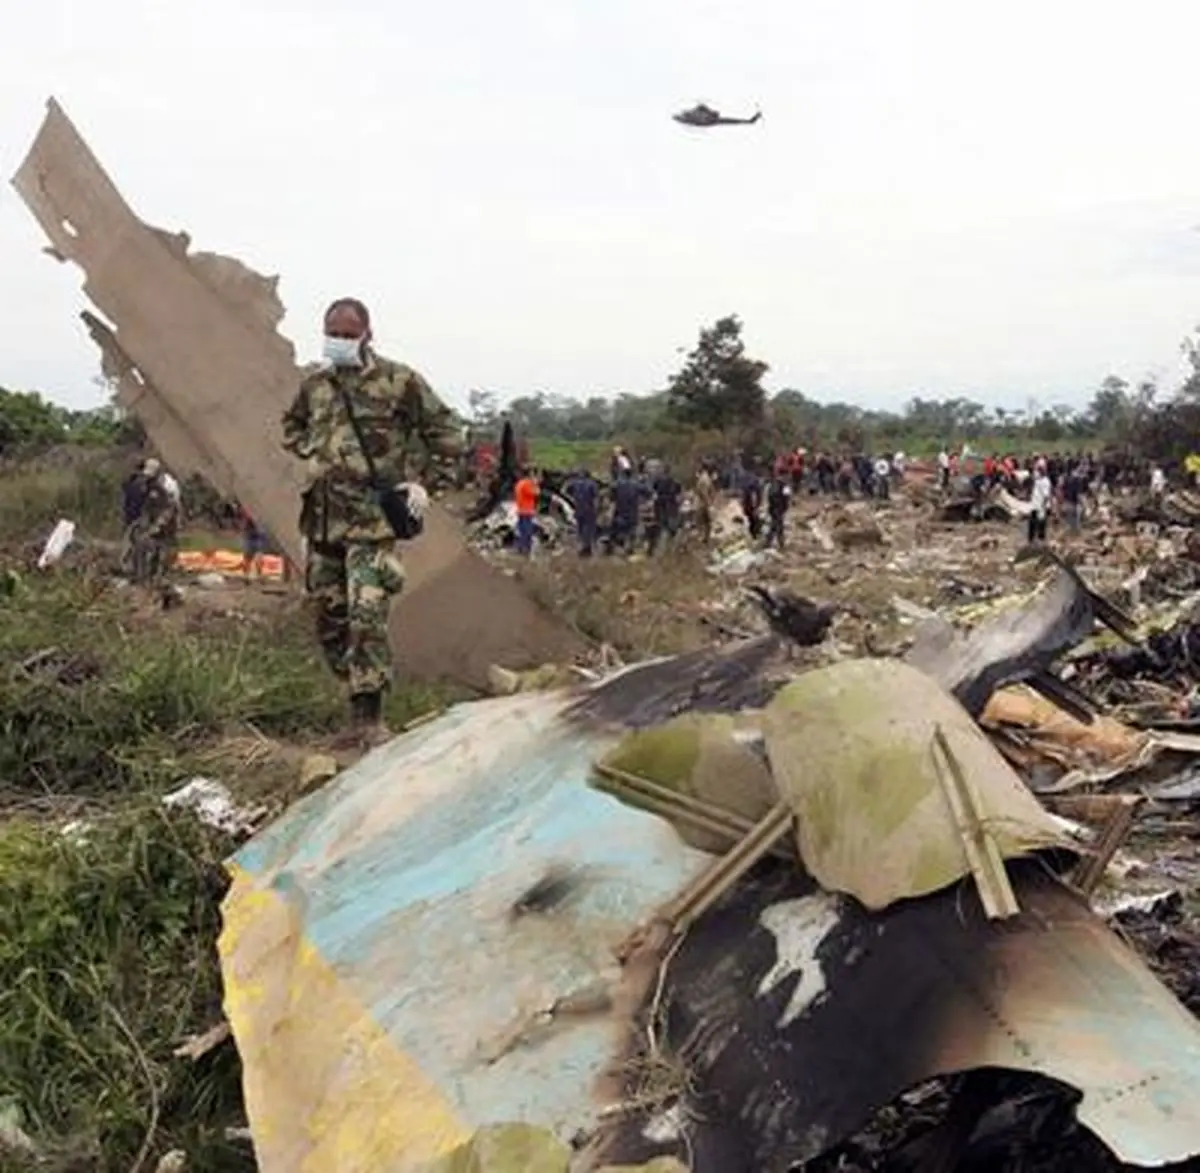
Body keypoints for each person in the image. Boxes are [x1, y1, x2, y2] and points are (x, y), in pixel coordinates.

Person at [281, 297, 462, 743]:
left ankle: (370, 717)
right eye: (333, 334)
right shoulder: (315, 386)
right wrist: (316, 453)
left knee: (366, 614)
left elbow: (447, 432)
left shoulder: (398, 382)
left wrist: (424, 484)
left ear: (366, 334)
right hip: (323, 521)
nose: (339, 342)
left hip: (372, 522)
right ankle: (353, 704)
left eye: (347, 334)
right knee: (329, 617)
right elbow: (291, 426)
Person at [565, 468, 599, 556]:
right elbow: (596, 498)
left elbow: (565, 491)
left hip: (578, 508)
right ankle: (586, 547)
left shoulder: (574, 483)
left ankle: (581, 546)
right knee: (589, 529)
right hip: (589, 509)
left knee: (580, 528)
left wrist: (573, 499)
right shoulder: (592, 484)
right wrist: (597, 509)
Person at [513, 467, 539, 556]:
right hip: (527, 510)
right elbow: (536, 493)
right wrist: (535, 484)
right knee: (527, 530)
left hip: (520, 509)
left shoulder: (519, 484)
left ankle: (520, 547)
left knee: (521, 530)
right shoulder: (527, 484)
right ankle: (526, 548)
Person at [1028, 459, 1052, 544]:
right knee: (1032, 524)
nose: (1037, 471)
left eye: (1039, 470)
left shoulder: (1045, 481)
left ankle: (1040, 541)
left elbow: (1046, 496)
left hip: (1040, 506)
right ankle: (1031, 540)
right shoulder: (1037, 479)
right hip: (1035, 505)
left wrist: (1043, 508)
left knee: (1040, 525)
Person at [764, 474, 790, 549]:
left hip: (773, 508)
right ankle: (777, 542)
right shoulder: (785, 486)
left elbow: (769, 497)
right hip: (779, 508)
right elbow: (786, 498)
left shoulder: (772, 485)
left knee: (776, 524)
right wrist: (785, 508)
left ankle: (773, 541)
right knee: (777, 525)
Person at [694, 466, 716, 544]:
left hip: (702, 504)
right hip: (702, 504)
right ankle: (703, 539)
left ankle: (706, 538)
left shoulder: (706, 478)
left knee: (707, 523)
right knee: (704, 522)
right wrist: (709, 504)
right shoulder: (705, 479)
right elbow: (704, 493)